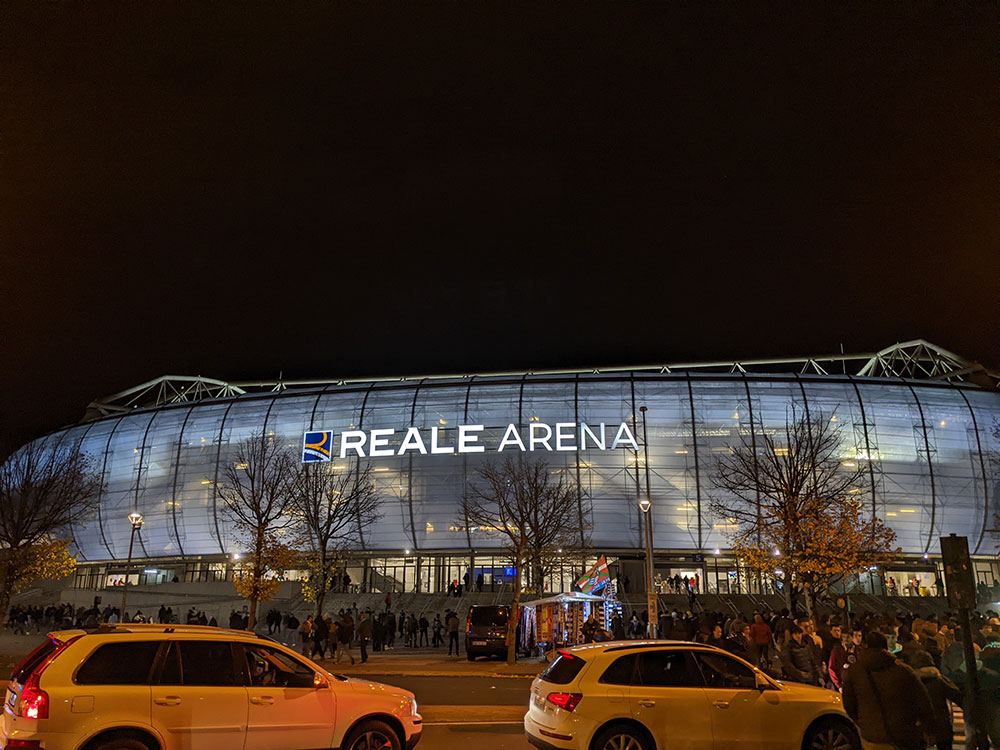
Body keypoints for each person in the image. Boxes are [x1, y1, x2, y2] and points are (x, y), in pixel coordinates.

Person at [843, 631, 934, 750]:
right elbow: (923, 701)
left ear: (865, 646)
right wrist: (928, 729)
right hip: (903, 735)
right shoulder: (903, 670)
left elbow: (849, 704)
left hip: (872, 736)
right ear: (885, 647)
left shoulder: (855, 672)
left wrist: (864, 722)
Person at [910, 649, 961, 750]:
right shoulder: (939, 680)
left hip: (919, 725)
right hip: (941, 724)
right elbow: (957, 696)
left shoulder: (910, 682)